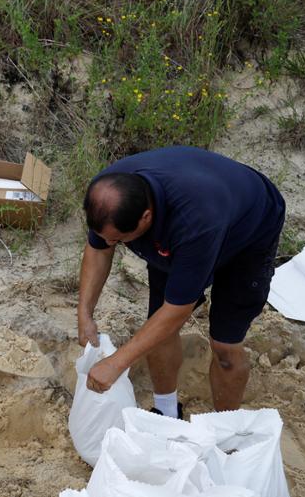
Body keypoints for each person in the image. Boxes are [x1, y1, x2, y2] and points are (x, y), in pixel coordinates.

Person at [77, 145, 285, 416]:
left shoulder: (195, 222)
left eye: (118, 239)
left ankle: (224, 427)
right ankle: (166, 413)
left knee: (224, 344)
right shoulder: (108, 196)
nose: (110, 243)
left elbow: (176, 310)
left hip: (248, 232)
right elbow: (98, 249)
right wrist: (84, 313)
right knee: (157, 328)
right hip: (193, 220)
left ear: (146, 217)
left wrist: (117, 363)